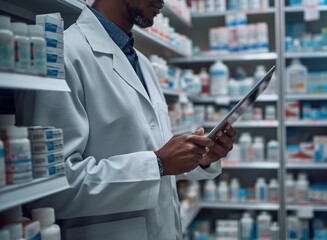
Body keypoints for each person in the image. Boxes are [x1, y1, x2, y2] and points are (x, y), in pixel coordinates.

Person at [14, 0, 236, 239]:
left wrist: (200, 157)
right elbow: (51, 190)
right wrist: (158, 164)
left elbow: (155, 154)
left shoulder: (143, 63)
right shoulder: (63, 55)